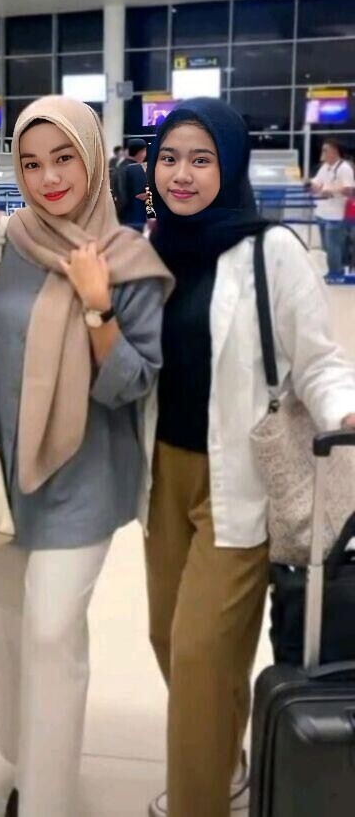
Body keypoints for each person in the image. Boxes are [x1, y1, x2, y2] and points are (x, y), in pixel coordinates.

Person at [140, 98, 355, 817]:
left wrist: (345, 411)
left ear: (229, 166)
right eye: (171, 158)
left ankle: (198, 800)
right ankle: (224, 758)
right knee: (166, 637)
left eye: (201, 159)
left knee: (201, 657)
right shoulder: (154, 247)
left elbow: (318, 361)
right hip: (162, 476)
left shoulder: (272, 251)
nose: (182, 174)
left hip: (239, 479)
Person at [0, 95, 172, 817]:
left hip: (84, 479)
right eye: (30, 163)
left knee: (52, 633)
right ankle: (26, 762)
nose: (48, 178)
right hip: (1, 476)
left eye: (63, 159)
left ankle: (47, 799)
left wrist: (96, 305)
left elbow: (133, 383)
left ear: (92, 160)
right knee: (8, 630)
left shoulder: (128, 259)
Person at [309, 137, 354, 277]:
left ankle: (336, 274)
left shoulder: (344, 168)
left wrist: (332, 191)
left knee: (333, 247)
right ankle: (331, 272)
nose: (322, 153)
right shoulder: (325, 167)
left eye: (325, 150)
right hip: (322, 212)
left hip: (336, 215)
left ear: (334, 151)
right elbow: (317, 181)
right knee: (326, 248)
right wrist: (311, 185)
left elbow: (349, 190)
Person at [115, 138, 149, 230]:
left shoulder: (119, 167)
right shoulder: (136, 168)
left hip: (120, 218)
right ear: (141, 152)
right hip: (135, 220)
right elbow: (141, 195)